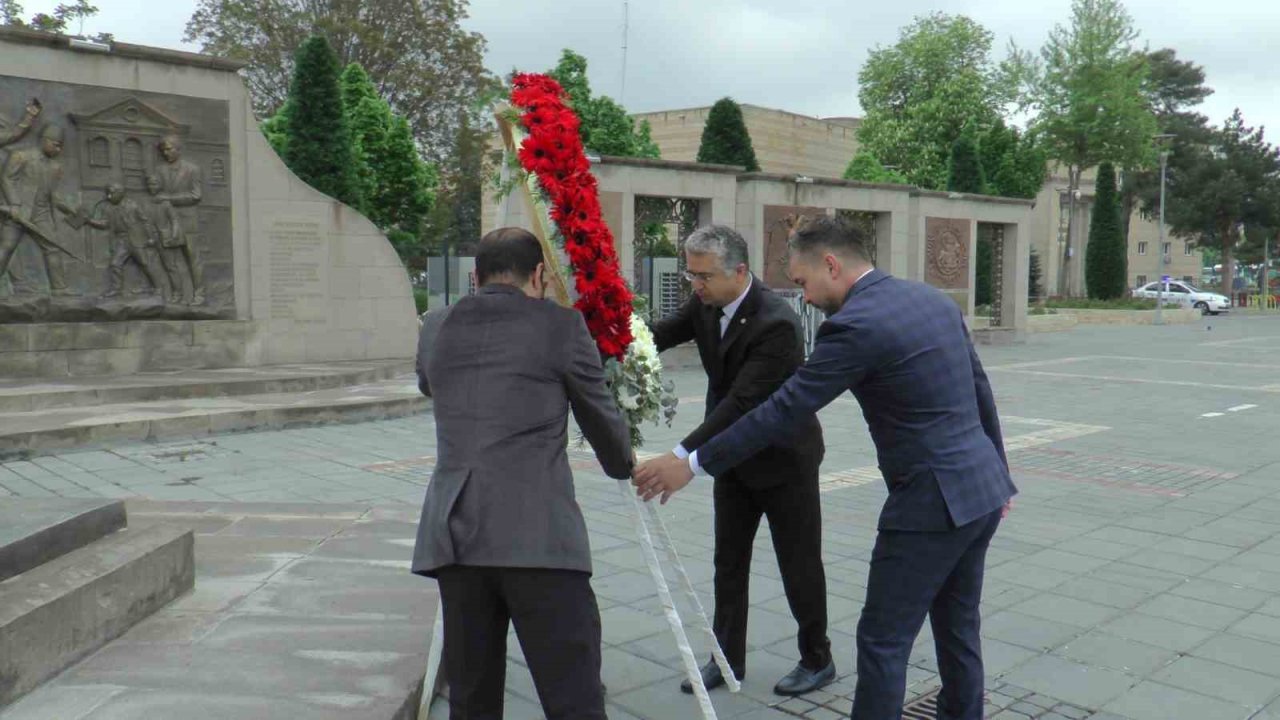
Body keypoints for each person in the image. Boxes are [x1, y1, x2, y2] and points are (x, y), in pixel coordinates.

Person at [634, 214, 1017, 720]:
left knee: (882, 641)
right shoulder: (929, 299)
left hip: (929, 503)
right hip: (982, 490)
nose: (805, 297)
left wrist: (692, 462)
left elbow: (783, 407)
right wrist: (1000, 472)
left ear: (831, 265)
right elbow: (979, 387)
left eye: (803, 282)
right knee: (958, 625)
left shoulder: (855, 325)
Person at [411, 227, 634, 720]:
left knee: (471, 697)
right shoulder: (562, 326)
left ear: (476, 276)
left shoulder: (436, 326)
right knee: (572, 694)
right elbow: (600, 418)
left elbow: (431, 384)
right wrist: (625, 464)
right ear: (538, 275)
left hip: (455, 535)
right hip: (539, 536)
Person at [648, 224, 833, 696]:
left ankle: (817, 657)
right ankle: (726, 659)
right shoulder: (706, 302)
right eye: (691, 275)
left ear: (740, 271)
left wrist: (681, 456)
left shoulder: (777, 324)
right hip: (732, 461)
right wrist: (613, 345)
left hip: (783, 460)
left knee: (799, 562)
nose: (696, 285)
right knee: (728, 561)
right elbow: (661, 335)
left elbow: (742, 405)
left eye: (704, 276)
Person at [0, 124, 79, 296]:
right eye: (56, 144)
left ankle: (59, 289)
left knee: (52, 248)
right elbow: (7, 179)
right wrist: (14, 204)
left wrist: (68, 209)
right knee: (6, 247)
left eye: (61, 146)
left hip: (42, 214)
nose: (59, 149)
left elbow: (53, 195)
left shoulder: (55, 167)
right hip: (19, 212)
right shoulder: (21, 156)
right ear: (45, 140)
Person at [87, 183, 166, 299]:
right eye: (108, 193)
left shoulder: (132, 205)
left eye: (111, 193)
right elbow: (105, 224)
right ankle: (116, 289)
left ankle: (158, 288)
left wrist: (150, 237)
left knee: (145, 263)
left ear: (120, 193)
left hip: (136, 239)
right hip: (122, 240)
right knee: (115, 263)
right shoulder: (108, 208)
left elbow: (145, 221)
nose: (109, 196)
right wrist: (89, 221)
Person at [153, 135, 205, 304]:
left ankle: (199, 294)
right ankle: (177, 294)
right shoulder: (160, 170)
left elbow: (196, 195)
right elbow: (156, 192)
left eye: (169, 149)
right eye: (163, 150)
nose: (165, 153)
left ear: (178, 149)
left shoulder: (193, 169)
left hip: (188, 220)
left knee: (193, 258)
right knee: (171, 261)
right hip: (167, 222)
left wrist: (169, 198)